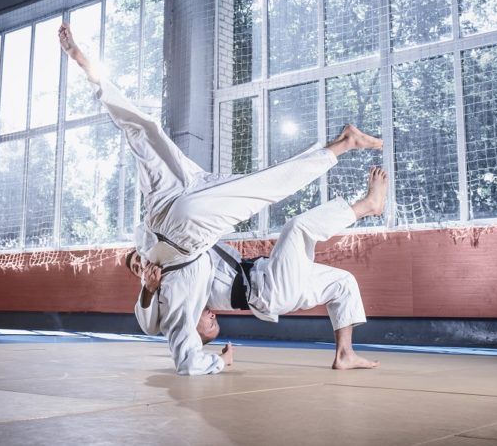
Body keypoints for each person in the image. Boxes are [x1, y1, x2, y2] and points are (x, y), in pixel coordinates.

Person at [59, 23, 383, 374]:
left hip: (170, 205)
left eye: (137, 263)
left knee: (145, 129)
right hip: (195, 233)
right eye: (138, 268)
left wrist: (145, 283)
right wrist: (212, 355)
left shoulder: (156, 265)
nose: (141, 267)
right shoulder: (178, 296)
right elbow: (167, 340)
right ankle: (349, 163)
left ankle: (345, 354)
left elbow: (149, 305)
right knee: (270, 193)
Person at [137, 167, 387, 372]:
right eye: (213, 325)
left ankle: (345, 354)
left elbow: (151, 314)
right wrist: (221, 361)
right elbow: (188, 360)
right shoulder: (186, 302)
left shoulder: (185, 285)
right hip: (270, 289)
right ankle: (368, 206)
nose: (213, 315)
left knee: (343, 283)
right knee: (297, 228)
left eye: (209, 323)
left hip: (271, 278)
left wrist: (147, 284)